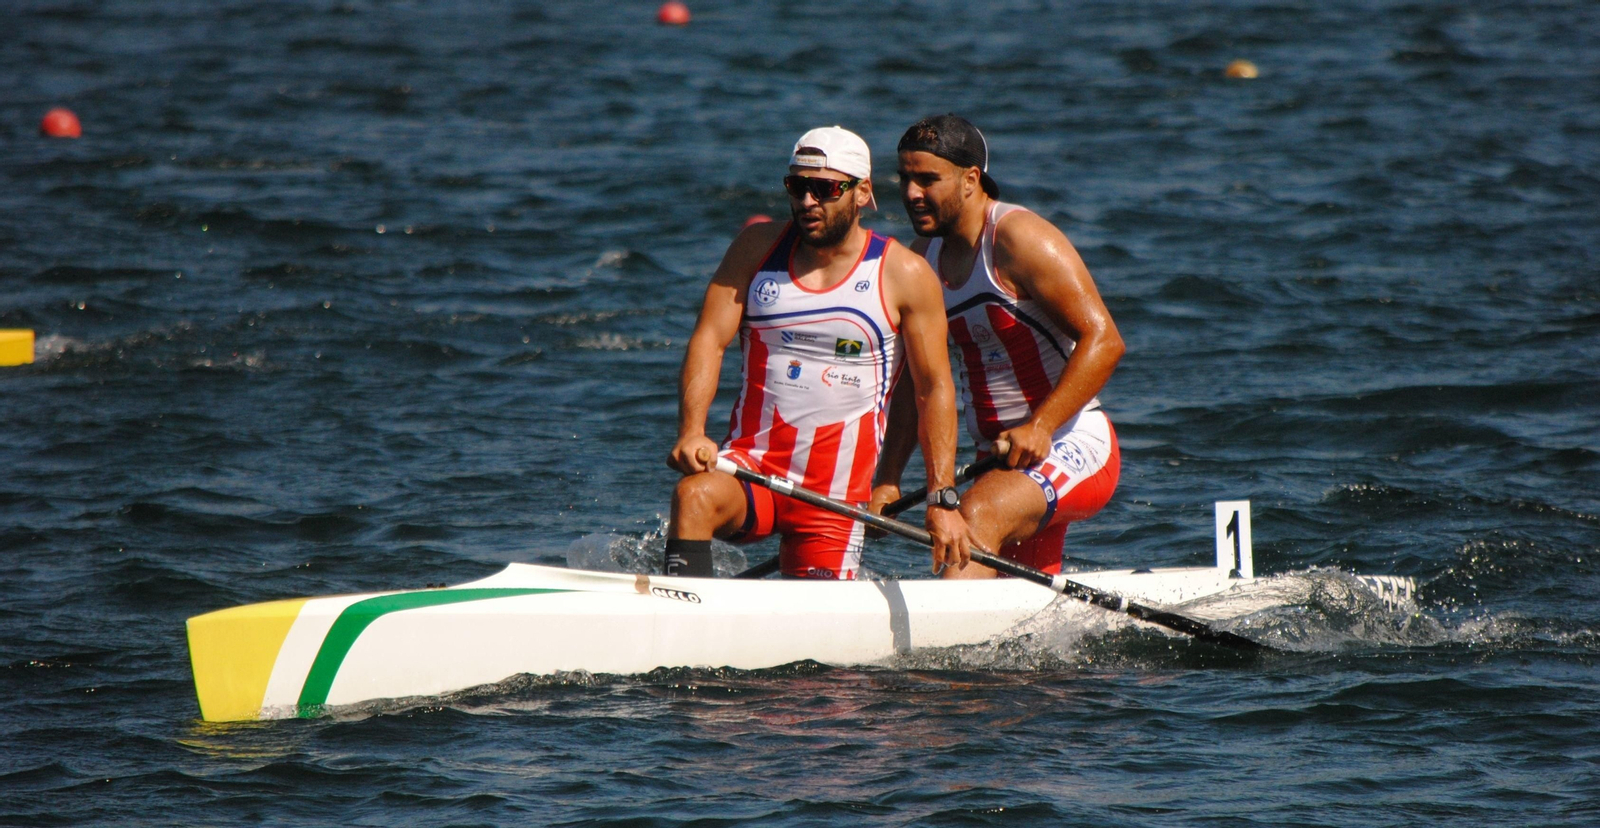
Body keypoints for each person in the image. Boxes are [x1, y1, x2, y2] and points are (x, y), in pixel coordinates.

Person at [664, 126, 979, 579]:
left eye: (825, 189)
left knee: (811, 620)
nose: (807, 201)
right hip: (751, 470)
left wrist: (941, 498)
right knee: (692, 495)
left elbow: (932, 389)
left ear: (862, 193)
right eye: (797, 187)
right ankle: (681, 605)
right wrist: (692, 431)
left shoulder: (904, 274)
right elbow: (709, 340)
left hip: (833, 498)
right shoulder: (756, 250)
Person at [872, 115, 1125, 578]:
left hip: (1069, 440)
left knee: (975, 515)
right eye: (905, 178)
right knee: (1022, 602)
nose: (911, 193)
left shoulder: (1016, 238)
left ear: (971, 180)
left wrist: (1041, 426)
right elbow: (915, 388)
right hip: (997, 462)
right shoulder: (921, 259)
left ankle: (941, 627)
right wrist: (888, 480)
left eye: (927, 180)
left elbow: (1105, 340)